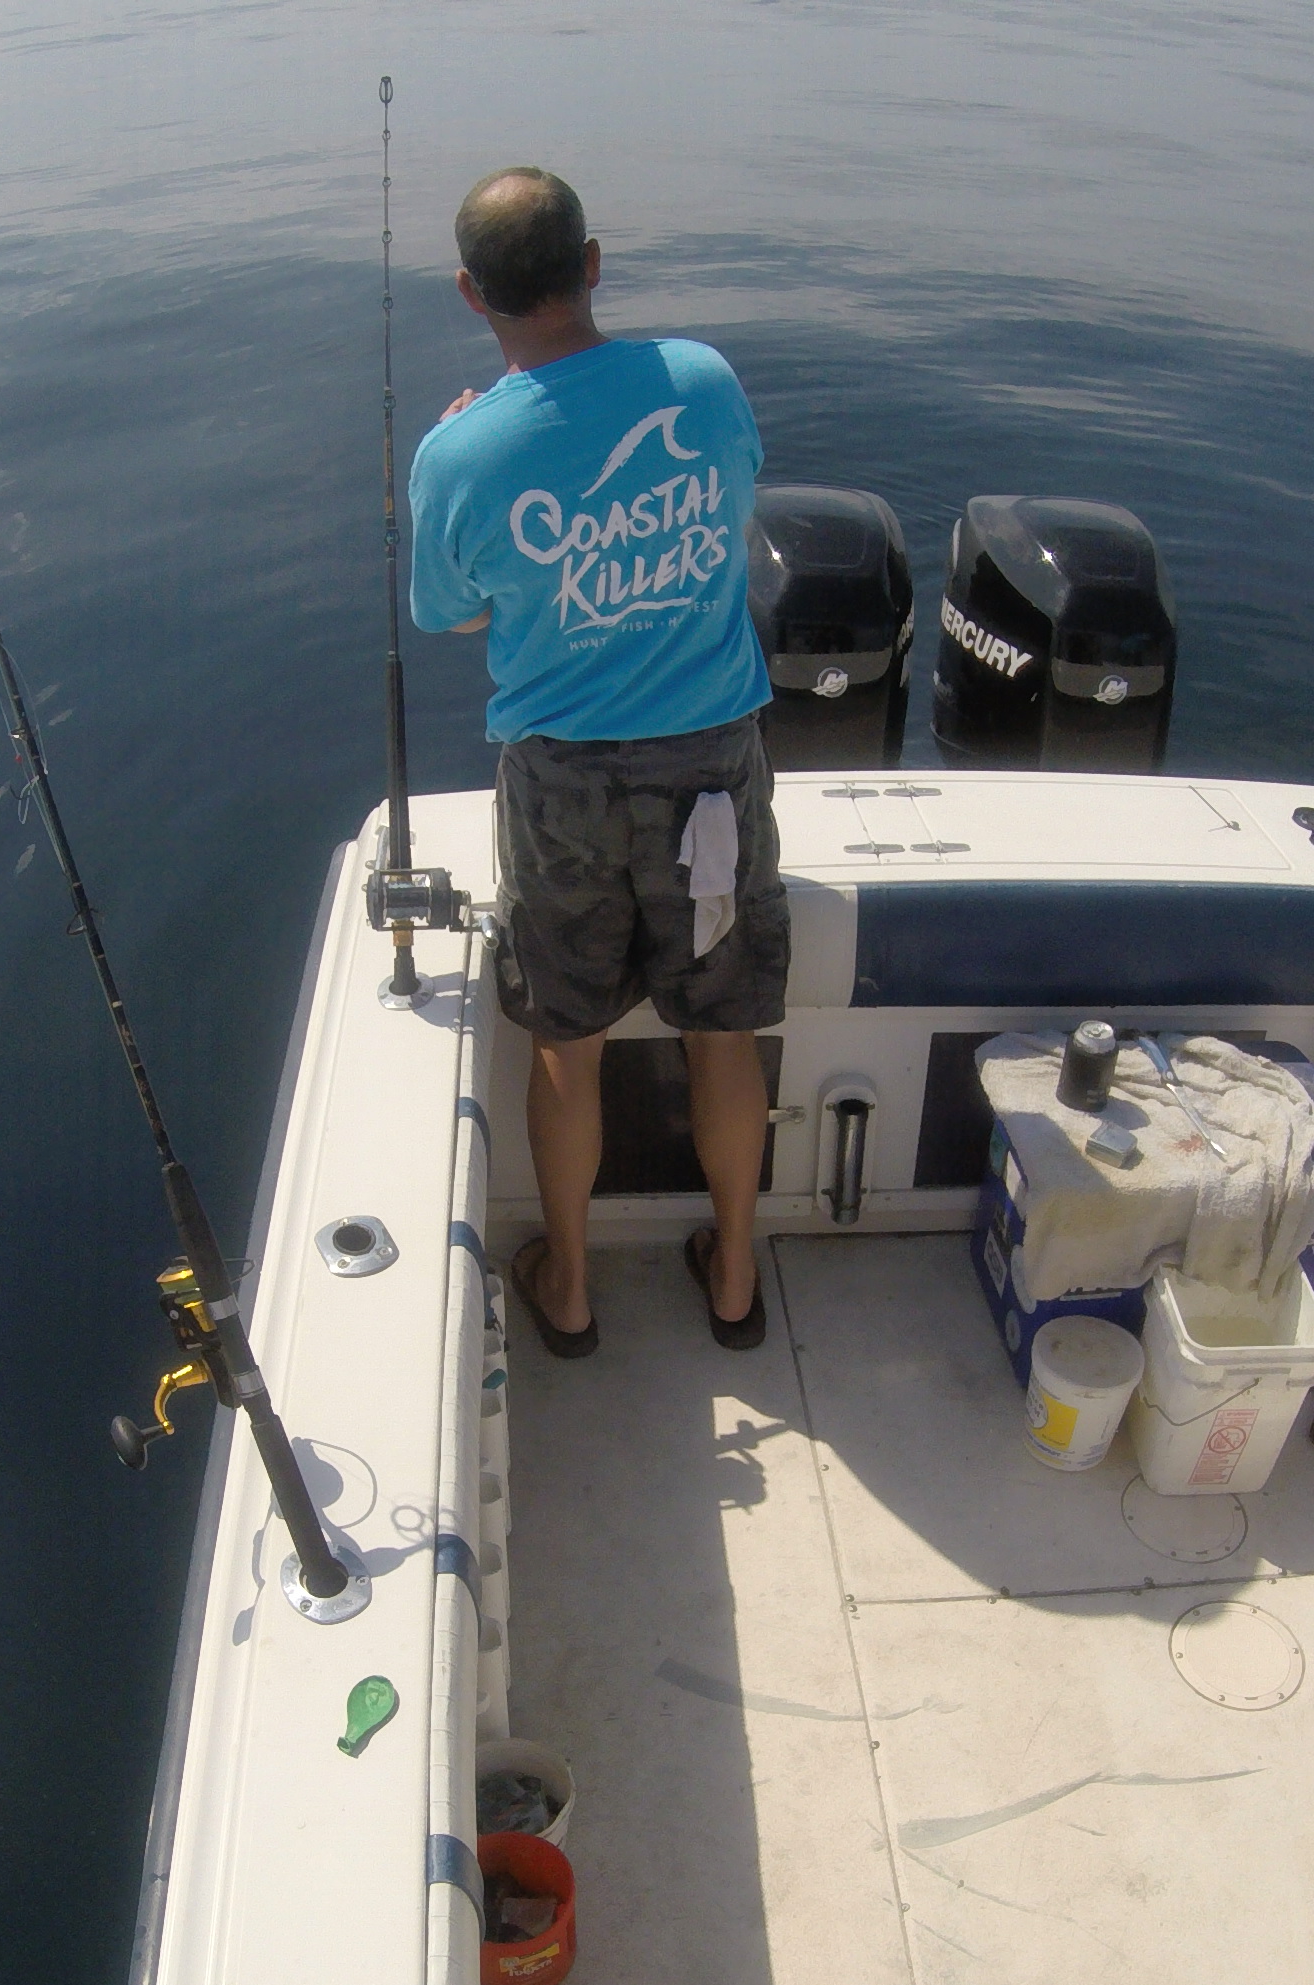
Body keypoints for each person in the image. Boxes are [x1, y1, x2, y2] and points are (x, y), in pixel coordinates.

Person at [410, 167, 782, 1359]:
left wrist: (467, 446)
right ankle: (732, 1273)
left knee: (565, 1045)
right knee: (720, 1031)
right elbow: (728, 512)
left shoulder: (457, 456)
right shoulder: (702, 381)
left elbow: (454, 615)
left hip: (562, 782)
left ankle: (567, 1288)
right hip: (713, 772)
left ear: (473, 294)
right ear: (594, 263)